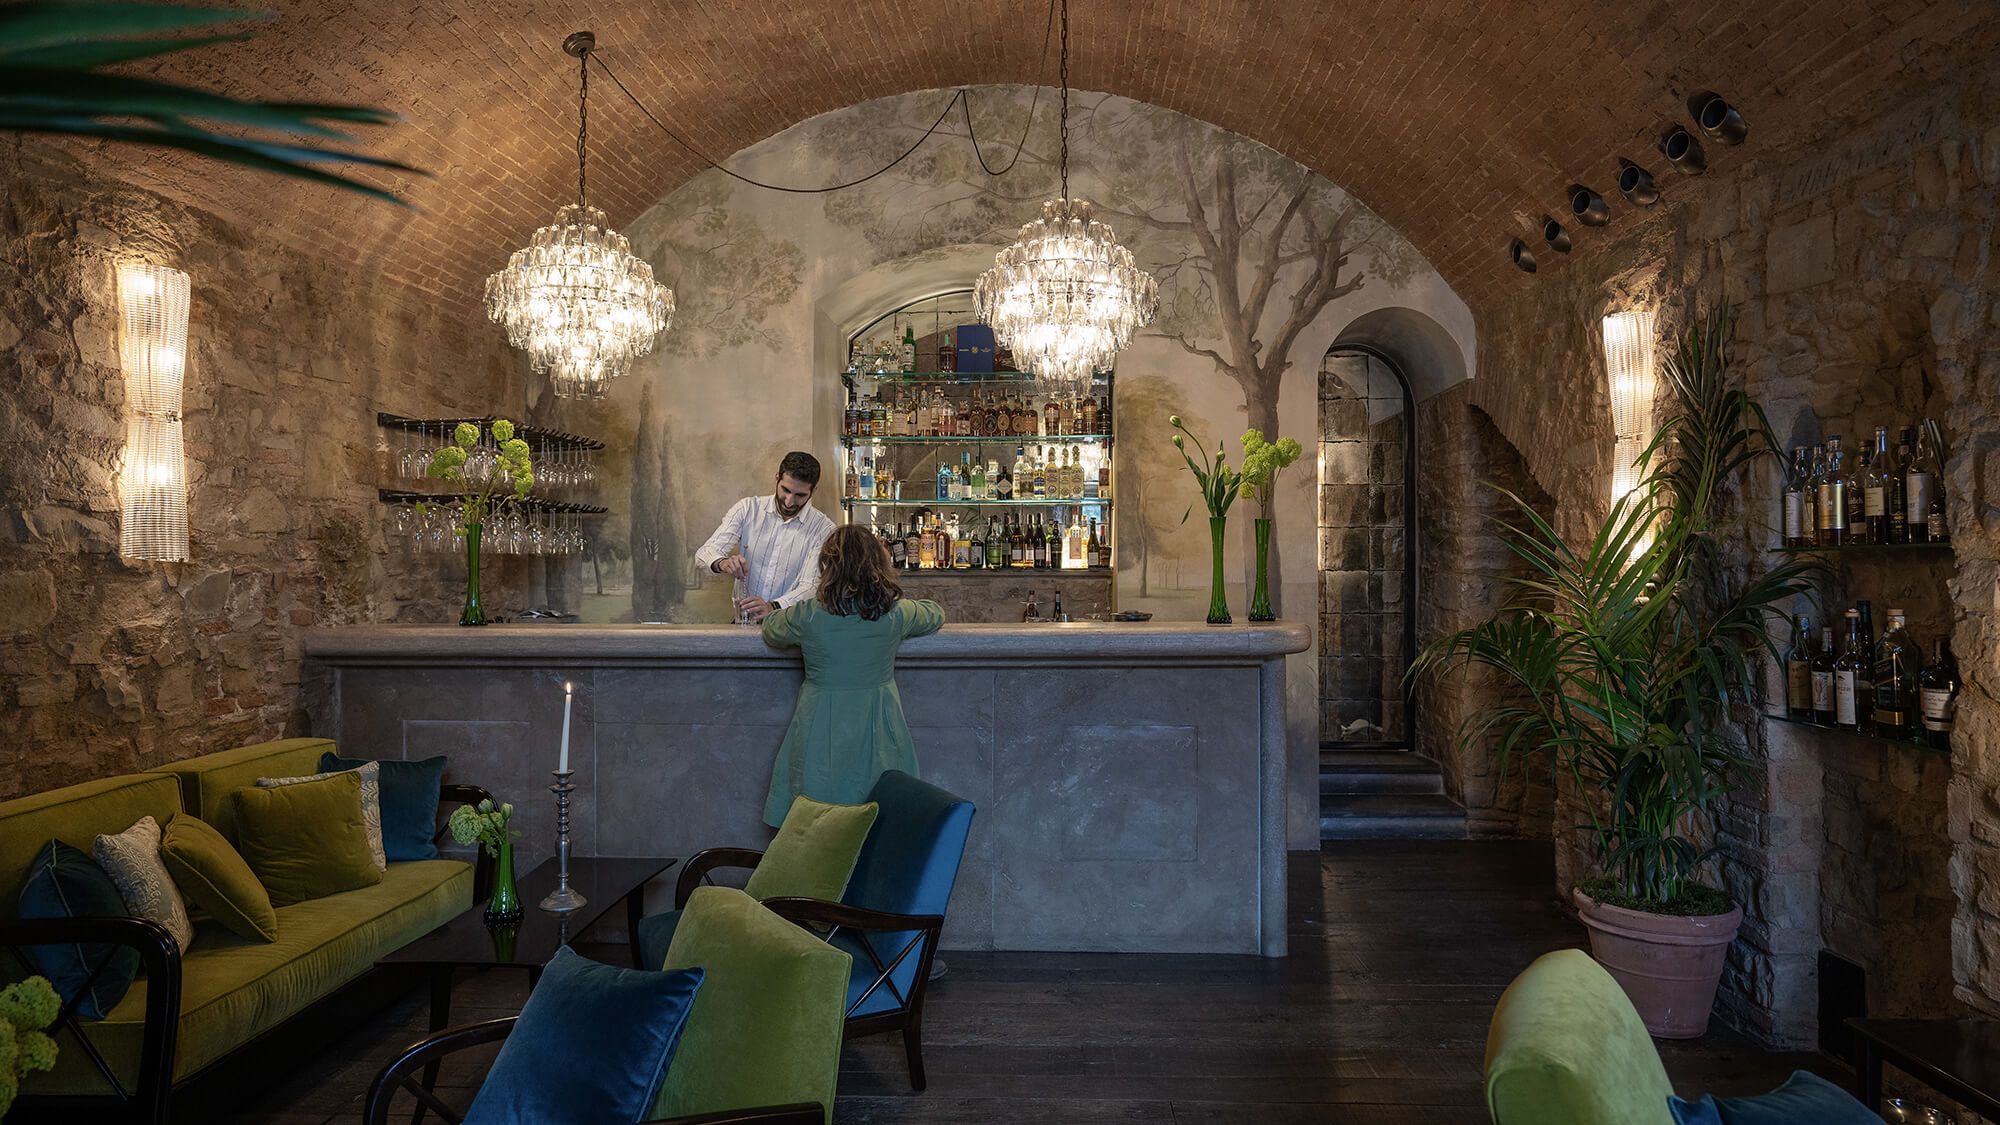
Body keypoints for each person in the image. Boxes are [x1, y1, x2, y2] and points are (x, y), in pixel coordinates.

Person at [759, 524, 945, 827]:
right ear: (878, 564)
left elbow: (771, 629)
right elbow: (934, 613)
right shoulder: (895, 613)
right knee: (878, 809)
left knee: (817, 811)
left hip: (820, 718)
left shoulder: (808, 615)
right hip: (878, 719)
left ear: (828, 567)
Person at [693, 451, 836, 623]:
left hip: (790, 627)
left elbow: (811, 586)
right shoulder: (747, 509)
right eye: (785, 490)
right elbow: (704, 553)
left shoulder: (824, 529)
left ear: (813, 491)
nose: (789, 502)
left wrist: (773, 607)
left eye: (800, 495)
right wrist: (722, 563)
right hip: (744, 623)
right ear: (777, 479)